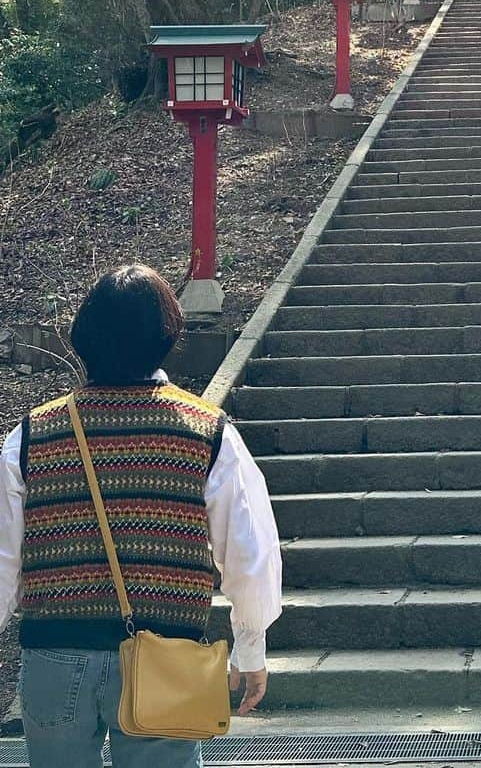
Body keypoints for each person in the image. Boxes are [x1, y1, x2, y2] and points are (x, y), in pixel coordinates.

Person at [0, 264, 282, 767]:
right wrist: (250, 648)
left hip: (55, 657)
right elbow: (249, 555)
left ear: (83, 337)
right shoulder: (207, 432)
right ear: (167, 335)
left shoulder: (30, 436)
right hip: (166, 658)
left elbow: (2, 558)